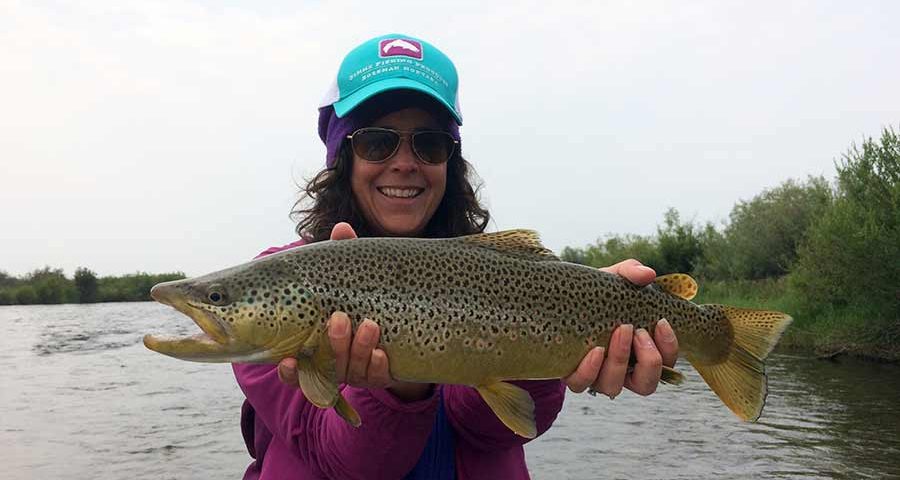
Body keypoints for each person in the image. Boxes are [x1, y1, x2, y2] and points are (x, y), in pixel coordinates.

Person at [233, 33, 679, 480]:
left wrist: (590, 308)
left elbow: (496, 430)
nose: (405, 162)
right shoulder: (281, 284)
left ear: (450, 161)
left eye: (428, 144)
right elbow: (342, 462)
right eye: (376, 142)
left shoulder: (502, 275)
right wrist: (401, 384)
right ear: (342, 156)